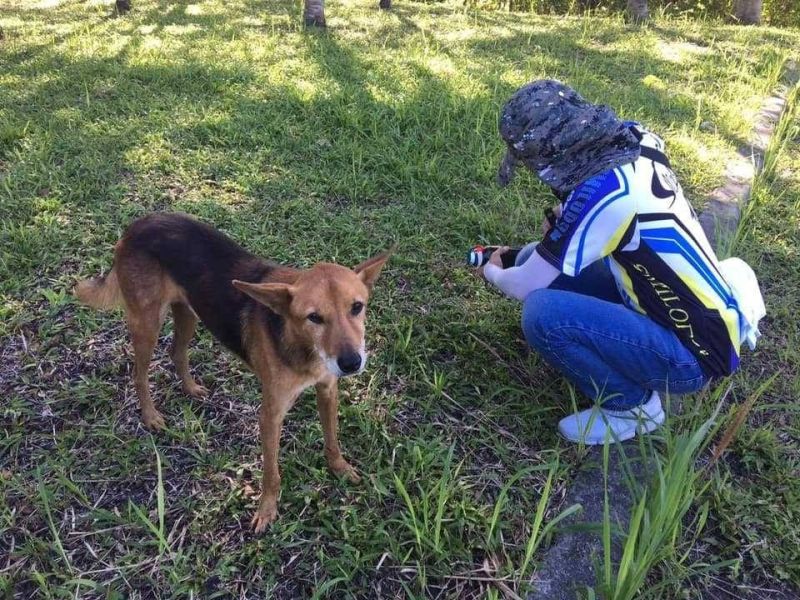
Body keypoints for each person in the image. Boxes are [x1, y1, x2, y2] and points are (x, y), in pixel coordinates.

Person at [480, 80, 765, 445]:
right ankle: (627, 361)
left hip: (691, 355)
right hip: (691, 309)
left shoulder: (601, 195)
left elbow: (523, 285)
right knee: (528, 255)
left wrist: (492, 271)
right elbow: (609, 222)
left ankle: (632, 409)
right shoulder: (634, 139)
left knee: (542, 313)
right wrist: (549, 235)